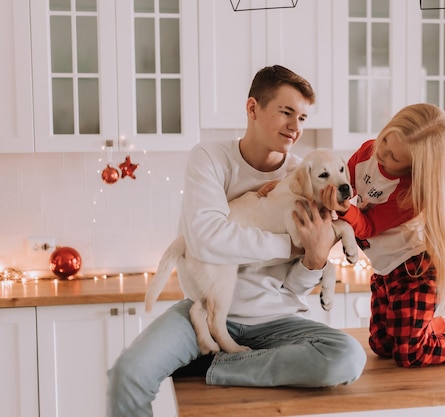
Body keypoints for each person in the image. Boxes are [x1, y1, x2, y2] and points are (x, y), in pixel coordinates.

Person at [107, 65, 366, 417]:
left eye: (302, 117)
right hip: (206, 308)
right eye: (286, 112)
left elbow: (293, 287)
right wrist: (291, 246)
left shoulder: (307, 174)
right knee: (128, 374)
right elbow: (206, 239)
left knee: (347, 357)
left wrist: (315, 260)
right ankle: (215, 347)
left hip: (278, 318)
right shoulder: (211, 158)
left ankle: (215, 365)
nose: (295, 127)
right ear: (253, 108)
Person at [320, 103, 445, 368]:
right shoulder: (369, 151)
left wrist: (342, 209)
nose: (382, 154)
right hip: (385, 267)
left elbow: (367, 226)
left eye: (394, 158)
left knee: (410, 354)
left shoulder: (410, 194)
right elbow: (346, 184)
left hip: (413, 268)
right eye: (385, 139)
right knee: (382, 345)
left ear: (414, 168)